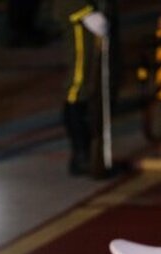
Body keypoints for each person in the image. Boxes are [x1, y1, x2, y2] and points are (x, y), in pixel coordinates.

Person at [55, 1, 109, 175]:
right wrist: (82, 11)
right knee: (77, 83)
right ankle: (81, 154)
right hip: (77, 10)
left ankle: (87, 153)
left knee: (89, 81)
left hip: (87, 9)